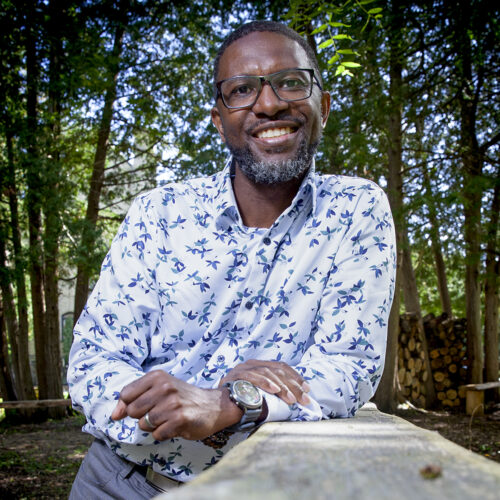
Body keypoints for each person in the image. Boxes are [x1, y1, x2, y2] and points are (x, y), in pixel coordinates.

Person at [68, 20, 396, 499]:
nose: (269, 104)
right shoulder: (159, 213)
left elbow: (347, 369)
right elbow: (92, 361)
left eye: (291, 82)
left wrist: (229, 403)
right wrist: (180, 410)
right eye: (241, 89)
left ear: (322, 105)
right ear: (219, 121)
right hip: (120, 482)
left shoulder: (356, 210)